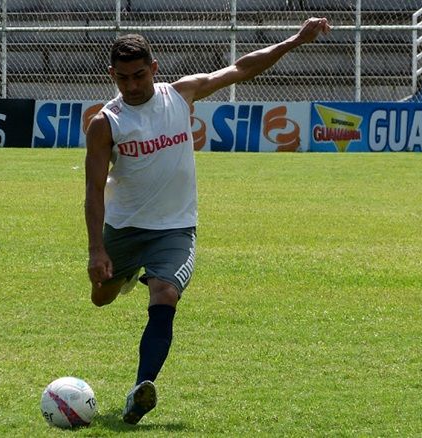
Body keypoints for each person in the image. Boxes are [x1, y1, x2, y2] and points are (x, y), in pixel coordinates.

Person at [85, 17, 331, 425]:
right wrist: (97, 248)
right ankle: (123, 276)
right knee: (100, 297)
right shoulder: (105, 123)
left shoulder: (181, 94)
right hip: (124, 228)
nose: (132, 85)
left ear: (155, 68)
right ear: (112, 75)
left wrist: (296, 40)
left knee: (165, 293)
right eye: (123, 78)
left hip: (175, 228)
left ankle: (140, 390)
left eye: (139, 75)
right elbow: (93, 190)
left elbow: (242, 68)